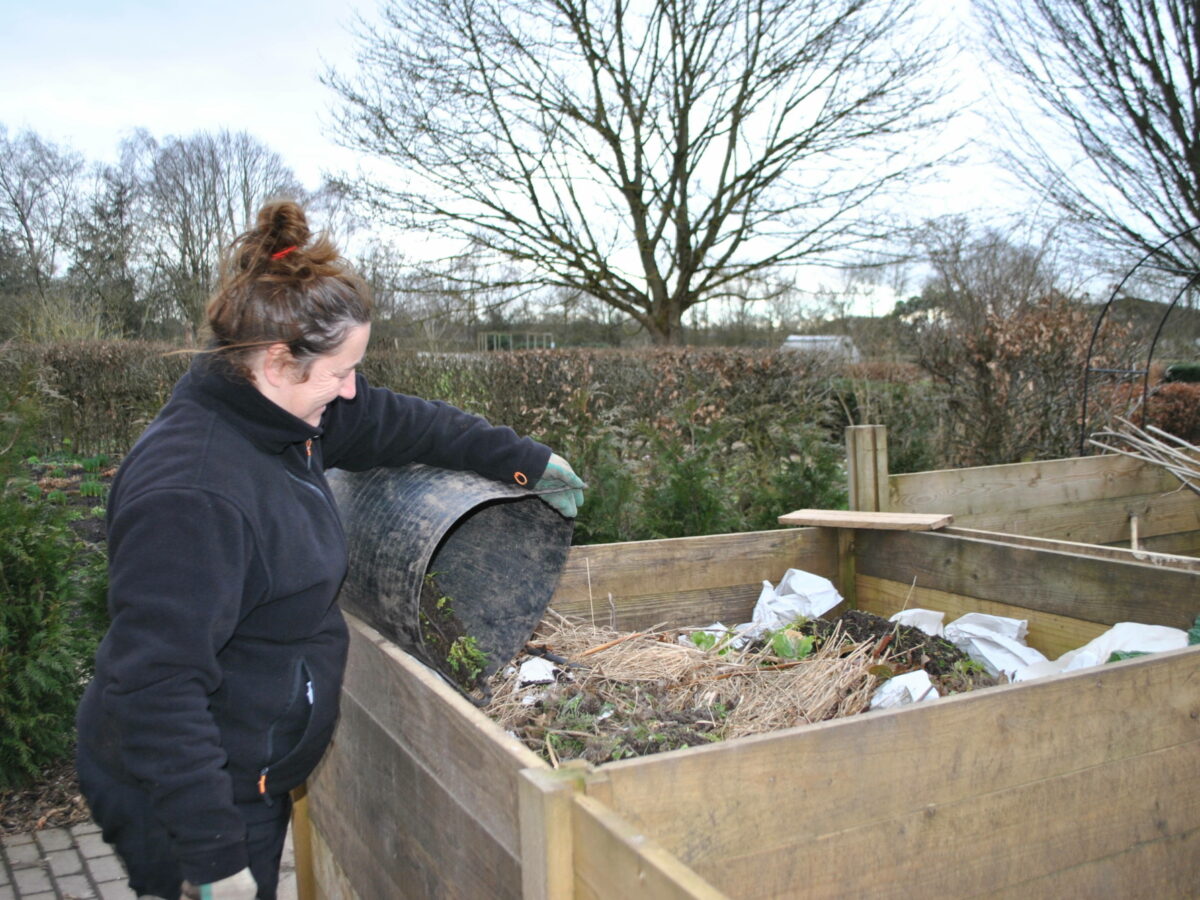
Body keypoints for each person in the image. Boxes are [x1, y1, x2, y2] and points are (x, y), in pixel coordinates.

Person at [74, 200, 585, 900]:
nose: (350, 389)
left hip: (251, 762)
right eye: (341, 371)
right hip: (193, 797)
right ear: (279, 360)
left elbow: (391, 418)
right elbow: (155, 690)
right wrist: (214, 860)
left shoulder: (280, 415)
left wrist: (523, 459)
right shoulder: (193, 497)